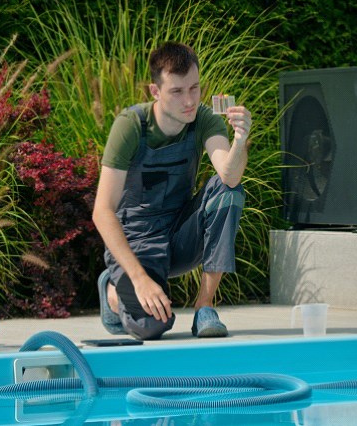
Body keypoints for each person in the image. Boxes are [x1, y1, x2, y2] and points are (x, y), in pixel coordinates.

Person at [92, 41, 252, 340]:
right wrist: (139, 279)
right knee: (152, 327)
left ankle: (205, 307)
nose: (189, 101)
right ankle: (113, 289)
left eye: (194, 88)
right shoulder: (131, 125)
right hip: (137, 243)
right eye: (177, 91)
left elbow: (229, 177)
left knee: (228, 192)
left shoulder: (204, 119)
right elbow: (102, 212)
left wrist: (240, 140)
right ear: (155, 91)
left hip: (180, 237)